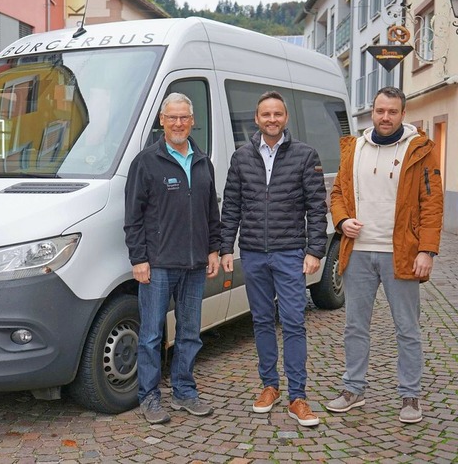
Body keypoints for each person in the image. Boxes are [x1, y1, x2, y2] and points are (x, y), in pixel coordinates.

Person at [326, 86, 443, 424]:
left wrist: (427, 250)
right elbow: (338, 193)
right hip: (358, 252)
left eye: (393, 111)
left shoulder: (419, 150)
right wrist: (342, 220)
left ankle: (410, 395)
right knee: (354, 326)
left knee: (407, 328)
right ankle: (353, 389)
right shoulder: (355, 148)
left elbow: (432, 204)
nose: (386, 117)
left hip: (401, 253)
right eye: (380, 111)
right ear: (372, 112)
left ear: (403, 114)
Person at [220, 91, 327, 427]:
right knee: (262, 322)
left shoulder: (305, 155)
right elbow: (231, 206)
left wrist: (315, 251)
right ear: (256, 118)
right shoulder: (241, 157)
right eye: (265, 114)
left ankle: (298, 396)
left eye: (277, 114)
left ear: (285, 118)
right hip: (252, 253)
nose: (271, 119)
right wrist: (226, 248)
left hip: (290, 253)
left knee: (294, 322)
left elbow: (317, 208)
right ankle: (270, 386)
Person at [124, 92, 221, 424]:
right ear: (161, 121)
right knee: (151, 334)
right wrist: (139, 258)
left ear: (192, 121)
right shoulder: (146, 161)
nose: (178, 123)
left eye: (184, 117)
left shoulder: (202, 160)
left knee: (190, 332)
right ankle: (149, 396)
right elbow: (133, 217)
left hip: (195, 264)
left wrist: (213, 248)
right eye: (172, 118)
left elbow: (212, 211)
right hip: (159, 264)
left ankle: (184, 392)